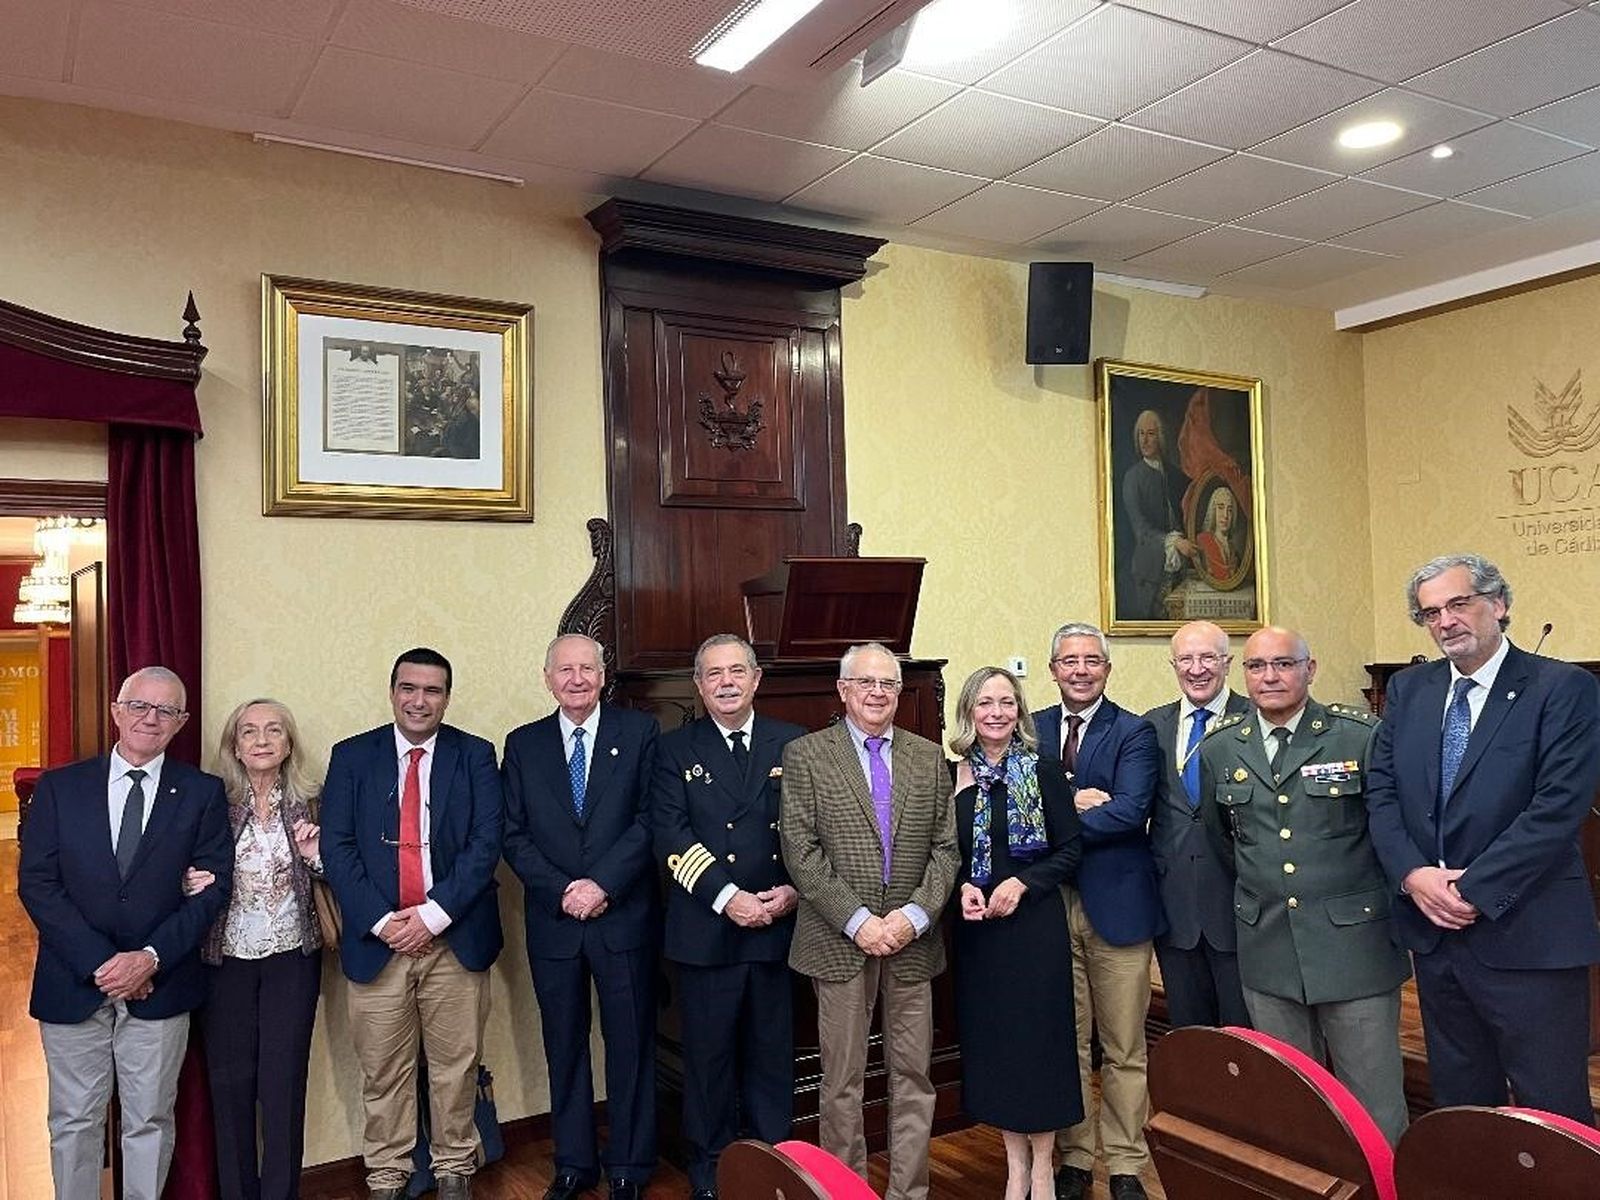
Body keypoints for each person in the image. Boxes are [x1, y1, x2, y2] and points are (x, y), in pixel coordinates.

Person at [1366, 554, 1600, 1121]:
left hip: (1530, 936)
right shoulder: (1408, 690)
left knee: (1553, 1109)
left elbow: (1557, 808)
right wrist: (1414, 875)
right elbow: (1381, 791)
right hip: (1438, 939)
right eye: (1430, 613)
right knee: (1462, 1105)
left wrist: (1471, 890)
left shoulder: (1563, 688)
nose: (1445, 621)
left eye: (1458, 604)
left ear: (1498, 604)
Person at [18, 666, 233, 1200]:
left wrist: (149, 958)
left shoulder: (203, 793)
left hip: (160, 985)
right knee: (73, 1121)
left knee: (150, 1121)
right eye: (140, 705)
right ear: (117, 711)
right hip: (72, 982)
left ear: (181, 722)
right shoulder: (60, 787)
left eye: (166, 710)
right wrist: (105, 965)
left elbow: (212, 890)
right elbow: (38, 884)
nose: (150, 718)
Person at [1200, 626, 1411, 1146]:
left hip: (1353, 947)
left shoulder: (1359, 736)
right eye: (1256, 666)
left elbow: (1390, 834)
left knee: (1374, 1099)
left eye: (1284, 664)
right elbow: (1225, 840)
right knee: (1291, 1098)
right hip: (1268, 944)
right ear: (1242, 674)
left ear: (1309, 670)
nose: (1269, 676)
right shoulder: (1221, 748)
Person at [321, 648, 505, 1200]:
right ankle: (388, 1176)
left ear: (446, 697)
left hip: (455, 937)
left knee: (456, 1066)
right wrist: (383, 922)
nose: (419, 700)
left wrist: (430, 917)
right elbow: (338, 846)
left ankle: (454, 1170)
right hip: (378, 943)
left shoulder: (475, 755)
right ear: (392, 690)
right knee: (383, 1072)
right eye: (409, 688)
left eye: (432, 691)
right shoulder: (352, 756)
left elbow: (484, 843)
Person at [780, 641, 958, 1200]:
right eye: (866, 683)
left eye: (888, 685)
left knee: (913, 1080)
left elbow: (947, 851)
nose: (878, 693)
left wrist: (911, 917)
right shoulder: (807, 755)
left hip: (912, 942)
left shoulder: (928, 757)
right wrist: (858, 921)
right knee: (841, 1084)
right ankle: (846, 1190)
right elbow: (800, 852)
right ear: (844, 690)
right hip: (837, 942)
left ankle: (911, 1192)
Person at [503, 633, 661, 1200]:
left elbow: (650, 819)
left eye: (586, 669)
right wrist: (563, 890)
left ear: (603, 676)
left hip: (622, 920)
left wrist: (603, 885)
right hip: (555, 922)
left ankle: (629, 1167)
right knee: (563, 1045)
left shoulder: (639, 733)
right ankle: (574, 1164)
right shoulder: (523, 745)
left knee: (630, 1045)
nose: (576, 679)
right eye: (564, 670)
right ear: (546, 678)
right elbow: (513, 834)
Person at [651, 634, 806, 1199]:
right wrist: (727, 898)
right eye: (713, 674)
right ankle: (711, 1169)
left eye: (736, 671)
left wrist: (792, 890)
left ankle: (774, 1168)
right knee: (709, 1062)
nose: (726, 682)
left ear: (756, 678)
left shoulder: (793, 743)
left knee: (771, 1059)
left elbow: (811, 832)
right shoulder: (673, 750)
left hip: (776, 923)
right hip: (708, 930)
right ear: (698, 684)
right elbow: (670, 834)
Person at [1035, 624, 1162, 1200]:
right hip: (1048, 908)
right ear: (1053, 668)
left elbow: (1130, 812)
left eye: (1092, 660)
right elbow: (1013, 816)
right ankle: (1077, 1157)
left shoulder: (1135, 731)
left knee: (1124, 1044)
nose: (1081, 670)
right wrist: (1078, 802)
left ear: (1107, 670)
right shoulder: (1028, 727)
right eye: (1070, 661)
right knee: (1068, 1039)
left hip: (1118, 906)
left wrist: (1051, 810)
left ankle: (1129, 1161)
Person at [948, 666, 1082, 1200]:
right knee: (998, 1046)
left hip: (1034, 928)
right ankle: (1014, 1167)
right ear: (969, 712)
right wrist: (963, 887)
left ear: (1019, 712)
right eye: (985, 703)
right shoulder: (952, 776)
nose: (996, 712)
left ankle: (1044, 1166)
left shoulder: (1043, 771)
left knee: (1040, 1044)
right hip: (981, 936)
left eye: (1007, 702)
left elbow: (1070, 850)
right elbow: (945, 855)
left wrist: (1023, 883)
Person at [193, 699, 326, 1200]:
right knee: (229, 1088)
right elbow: (184, 868)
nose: (262, 739)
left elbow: (341, 877)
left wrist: (317, 858)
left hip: (292, 957)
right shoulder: (212, 803)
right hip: (224, 961)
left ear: (289, 742)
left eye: (274, 730)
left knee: (283, 1085)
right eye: (249, 731)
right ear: (234, 745)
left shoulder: (313, 801)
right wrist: (189, 882)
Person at [1144, 620, 1250, 1029]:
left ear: (1227, 662)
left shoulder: (1253, 718)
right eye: (1185, 659)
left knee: (1243, 1036)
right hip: (1175, 906)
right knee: (1189, 1032)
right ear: (1173, 664)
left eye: (1207, 657)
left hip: (1240, 904)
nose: (1196, 668)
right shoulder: (1152, 725)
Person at [1120, 410, 1191, 621]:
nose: (1145, 440)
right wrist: (1174, 542)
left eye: (1150, 433)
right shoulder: (1133, 478)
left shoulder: (1175, 474)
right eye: (1141, 434)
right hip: (1149, 572)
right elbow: (1140, 529)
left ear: (1160, 436)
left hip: (1181, 566)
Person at [1194, 486, 1246, 584]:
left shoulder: (1233, 548)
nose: (1225, 515)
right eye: (1221, 508)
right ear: (1213, 510)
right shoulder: (1204, 540)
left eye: (1230, 510)